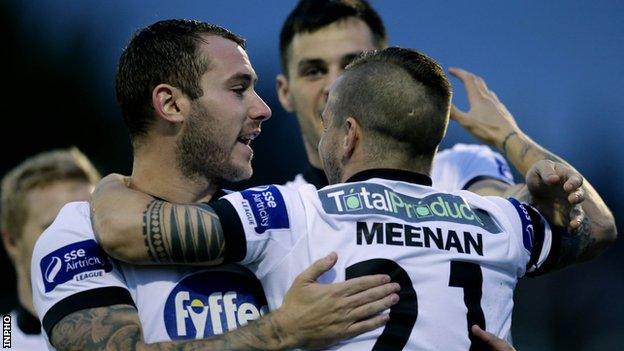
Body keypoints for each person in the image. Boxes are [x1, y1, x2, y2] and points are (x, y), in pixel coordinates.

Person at [88, 48, 617, 350]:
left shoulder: (294, 212)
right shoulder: (500, 221)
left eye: (326, 127)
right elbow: (598, 225)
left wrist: (110, 181)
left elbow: (121, 230)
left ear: (348, 135)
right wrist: (507, 136)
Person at [29, 19, 399, 351]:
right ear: (171, 104)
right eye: (239, 89)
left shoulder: (276, 223)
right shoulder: (76, 235)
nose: (263, 109)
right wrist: (279, 332)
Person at [277, 0, 516, 194]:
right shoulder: (274, 220)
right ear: (285, 93)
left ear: (387, 71)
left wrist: (508, 137)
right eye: (314, 71)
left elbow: (533, 221)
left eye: (353, 65)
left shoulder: (461, 171)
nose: (334, 86)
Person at [0, 148, 100, 350]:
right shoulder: (5, 335)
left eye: (91, 223)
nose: (81, 241)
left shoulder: (146, 326)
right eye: (56, 229)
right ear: (12, 242)